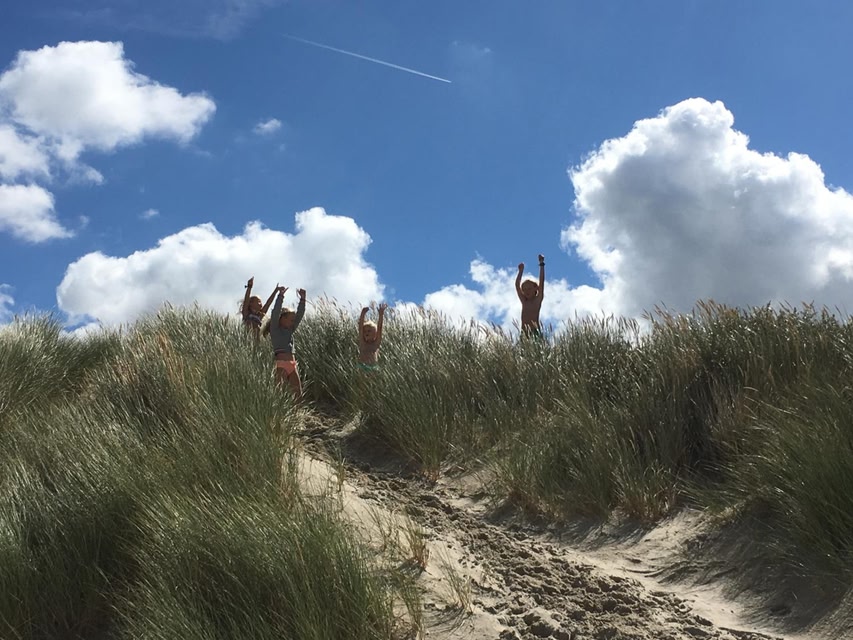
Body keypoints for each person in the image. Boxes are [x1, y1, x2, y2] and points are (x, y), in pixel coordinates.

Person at [264, 286, 306, 401]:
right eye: (291, 320)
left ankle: (298, 411)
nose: (293, 322)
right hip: (281, 364)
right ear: (282, 319)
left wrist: (303, 299)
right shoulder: (275, 329)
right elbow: (275, 312)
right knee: (278, 394)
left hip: (292, 364)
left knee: (298, 395)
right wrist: (280, 296)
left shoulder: (290, 330)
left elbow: (300, 315)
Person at [515, 254, 545, 336]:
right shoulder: (524, 301)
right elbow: (517, 286)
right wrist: (520, 271)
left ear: (535, 289)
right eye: (524, 289)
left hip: (535, 331)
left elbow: (541, 282)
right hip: (524, 332)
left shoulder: (537, 300)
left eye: (529, 288)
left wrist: (541, 264)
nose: (526, 291)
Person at [240, 277, 278, 341]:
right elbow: (246, 300)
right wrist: (249, 287)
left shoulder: (259, 316)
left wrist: (275, 291)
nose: (261, 303)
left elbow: (268, 303)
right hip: (247, 339)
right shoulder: (246, 313)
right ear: (251, 303)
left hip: (256, 340)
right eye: (258, 301)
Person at [358, 303, 387, 372]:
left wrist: (381, 314)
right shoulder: (363, 343)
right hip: (362, 366)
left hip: (373, 367)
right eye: (365, 331)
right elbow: (360, 328)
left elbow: (379, 328)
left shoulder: (376, 343)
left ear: (375, 333)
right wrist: (362, 314)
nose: (366, 333)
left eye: (369, 331)